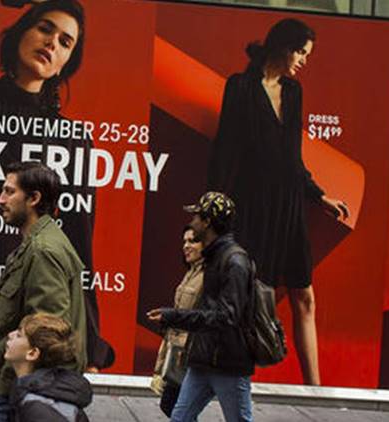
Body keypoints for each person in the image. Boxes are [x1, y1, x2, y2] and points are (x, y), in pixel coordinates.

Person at [0, 0, 113, 372]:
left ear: (66, 63)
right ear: (19, 34)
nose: (52, 43)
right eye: (45, 28)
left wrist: (88, 344)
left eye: (65, 42)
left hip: (37, 315)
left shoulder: (72, 141)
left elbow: (78, 250)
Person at [206, 18, 349, 386]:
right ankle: (241, 384)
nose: (303, 60)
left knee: (305, 297)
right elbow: (225, 150)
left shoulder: (294, 91)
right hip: (252, 205)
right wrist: (212, 207)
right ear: (282, 45)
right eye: (300, 51)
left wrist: (318, 195)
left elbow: (293, 157)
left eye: (306, 54)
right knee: (250, 299)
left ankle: (314, 387)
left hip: (289, 207)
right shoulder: (239, 87)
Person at [0, 161, 87, 422]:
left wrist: (20, 383)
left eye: (9, 191)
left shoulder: (43, 251)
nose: (0, 199)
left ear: (34, 198)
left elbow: (47, 331)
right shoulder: (38, 244)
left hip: (27, 389)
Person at [148, 191, 254, 422]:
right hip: (202, 360)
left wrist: (175, 317)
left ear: (207, 222)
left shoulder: (234, 261)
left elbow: (226, 317)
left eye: (197, 217)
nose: (192, 222)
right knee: (180, 418)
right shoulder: (212, 258)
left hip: (228, 363)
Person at [149, 226, 205, 417]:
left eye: (192, 241)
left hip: (191, 354)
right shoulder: (191, 272)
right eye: (185, 241)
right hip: (177, 353)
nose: (186, 246)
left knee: (178, 409)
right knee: (172, 406)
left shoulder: (209, 276)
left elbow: (203, 317)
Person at [5, 313, 92, 422]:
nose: (10, 335)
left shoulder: (36, 407)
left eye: (19, 335)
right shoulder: (37, 395)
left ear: (32, 353)